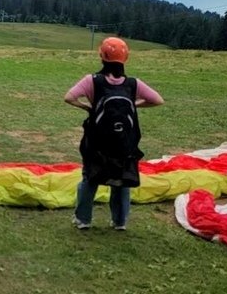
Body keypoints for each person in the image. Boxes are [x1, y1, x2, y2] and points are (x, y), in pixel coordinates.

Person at [64, 36, 164, 231]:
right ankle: (120, 221)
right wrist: (135, 104)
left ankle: (83, 219)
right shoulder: (133, 84)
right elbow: (158, 100)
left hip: (96, 141)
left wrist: (87, 107)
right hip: (123, 142)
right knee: (122, 179)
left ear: (102, 56)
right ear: (125, 59)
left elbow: (69, 97)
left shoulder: (92, 81)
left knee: (90, 177)